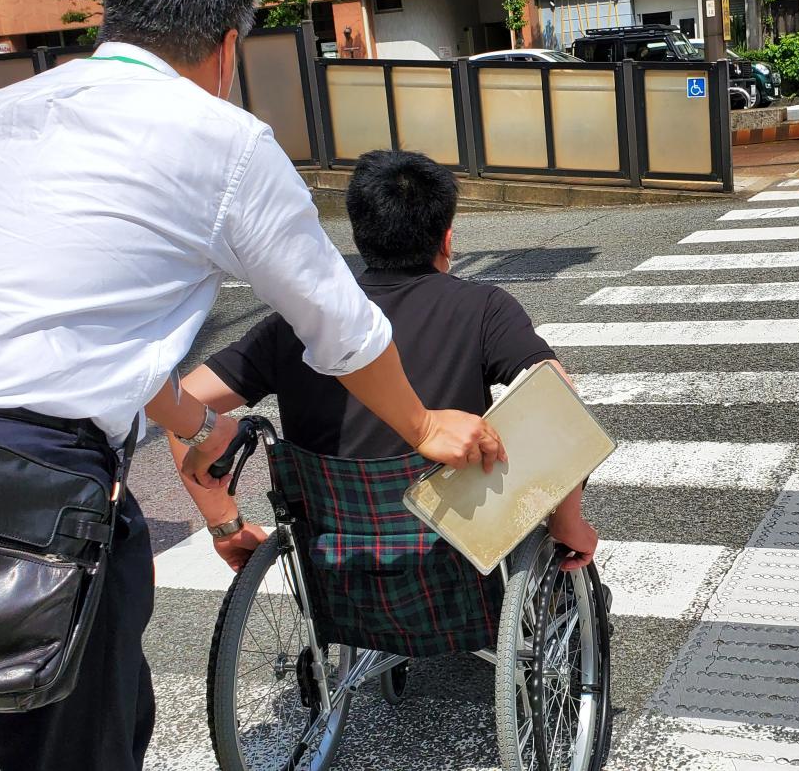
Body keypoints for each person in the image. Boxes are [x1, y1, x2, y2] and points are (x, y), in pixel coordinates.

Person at [0, 0, 502, 767]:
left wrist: (193, 422)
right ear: (227, 49)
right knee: (77, 740)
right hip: (29, 491)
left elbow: (72, 322)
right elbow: (343, 327)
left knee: (70, 709)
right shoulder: (223, 141)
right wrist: (423, 425)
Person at [169, 149, 599, 575]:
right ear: (447, 238)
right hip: (465, 563)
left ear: (359, 235)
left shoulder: (298, 326)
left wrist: (225, 523)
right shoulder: (484, 308)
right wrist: (567, 521)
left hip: (337, 574)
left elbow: (181, 404)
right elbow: (560, 404)